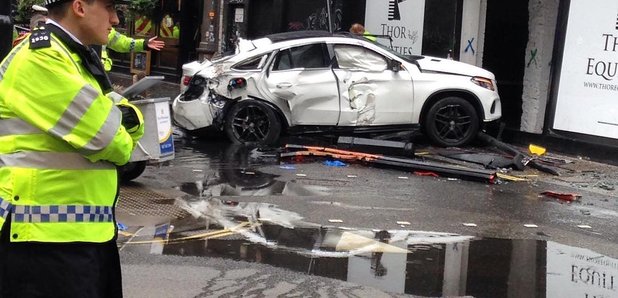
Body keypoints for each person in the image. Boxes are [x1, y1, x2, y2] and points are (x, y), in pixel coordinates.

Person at [0, 0, 144, 297]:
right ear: (79, 7)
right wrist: (122, 127)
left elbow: (128, 117)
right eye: (109, 7)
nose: (116, 19)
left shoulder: (73, 58)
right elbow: (111, 141)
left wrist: (122, 121)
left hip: (81, 237)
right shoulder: (41, 59)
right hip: (42, 243)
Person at [101, 27, 165, 71]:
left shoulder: (106, 28)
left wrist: (143, 44)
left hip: (100, 72)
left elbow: (122, 43)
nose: (115, 20)